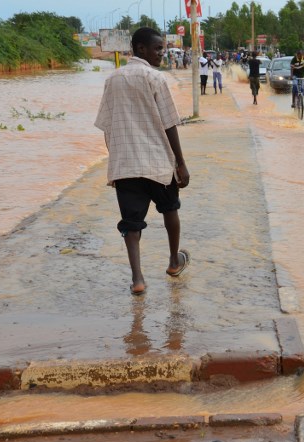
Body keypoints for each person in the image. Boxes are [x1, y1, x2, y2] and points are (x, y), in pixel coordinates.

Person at [95, 27, 191, 296]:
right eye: (158, 48)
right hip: (158, 162)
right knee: (170, 209)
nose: (162, 53)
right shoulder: (155, 78)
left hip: (125, 165)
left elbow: (106, 125)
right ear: (140, 49)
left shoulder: (112, 79)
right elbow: (170, 123)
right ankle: (174, 262)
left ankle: (138, 279)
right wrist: (180, 163)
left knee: (131, 223)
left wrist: (115, 157)